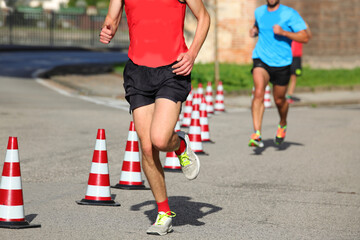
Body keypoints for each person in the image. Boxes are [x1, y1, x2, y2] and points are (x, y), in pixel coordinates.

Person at [100, 0, 210, 236]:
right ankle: (163, 213)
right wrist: (109, 27)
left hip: (173, 70)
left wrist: (192, 54)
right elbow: (113, 17)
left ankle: (180, 144)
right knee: (148, 148)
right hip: (138, 71)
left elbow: (204, 16)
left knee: (160, 139)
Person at [248, 0, 310, 147]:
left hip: (282, 63)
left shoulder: (289, 14)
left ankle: (282, 123)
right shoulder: (259, 11)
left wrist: (284, 32)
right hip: (261, 58)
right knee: (258, 93)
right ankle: (257, 134)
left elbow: (305, 37)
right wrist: (254, 30)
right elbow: (257, 25)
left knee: (279, 100)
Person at [287, 23, 312, 103]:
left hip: (296, 57)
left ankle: (289, 95)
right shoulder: (290, 32)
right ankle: (286, 95)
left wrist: (307, 26)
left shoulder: (301, 33)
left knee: (294, 77)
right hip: (289, 56)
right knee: (286, 77)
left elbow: (309, 36)